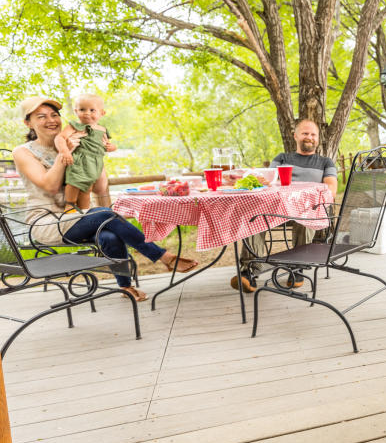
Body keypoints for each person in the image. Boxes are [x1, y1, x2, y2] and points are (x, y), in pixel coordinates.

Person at [13, 96, 197, 302]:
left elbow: (99, 187)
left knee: (109, 235)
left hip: (81, 216)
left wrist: (96, 154)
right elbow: (50, 185)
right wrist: (65, 153)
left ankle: (125, 286)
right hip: (47, 222)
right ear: (28, 123)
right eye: (41, 116)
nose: (51, 120)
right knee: (104, 214)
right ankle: (163, 256)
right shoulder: (23, 152)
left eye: (54, 115)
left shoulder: (77, 139)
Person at [232, 118, 338, 292]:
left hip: (307, 210)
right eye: (305, 133)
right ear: (295, 136)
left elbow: (331, 190)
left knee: (308, 214)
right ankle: (249, 272)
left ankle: (297, 268)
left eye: (313, 134)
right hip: (278, 209)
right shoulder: (282, 158)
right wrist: (260, 179)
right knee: (254, 217)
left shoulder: (325, 162)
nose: (309, 137)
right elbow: (269, 183)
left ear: (318, 139)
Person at [54, 93, 115, 211]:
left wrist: (112, 147)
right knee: (74, 182)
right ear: (76, 111)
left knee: (87, 189)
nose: (87, 113)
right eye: (82, 109)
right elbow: (60, 138)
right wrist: (65, 151)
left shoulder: (102, 130)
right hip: (79, 160)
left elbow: (108, 145)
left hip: (95, 163)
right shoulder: (75, 126)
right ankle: (70, 205)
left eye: (92, 110)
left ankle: (84, 210)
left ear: (102, 113)